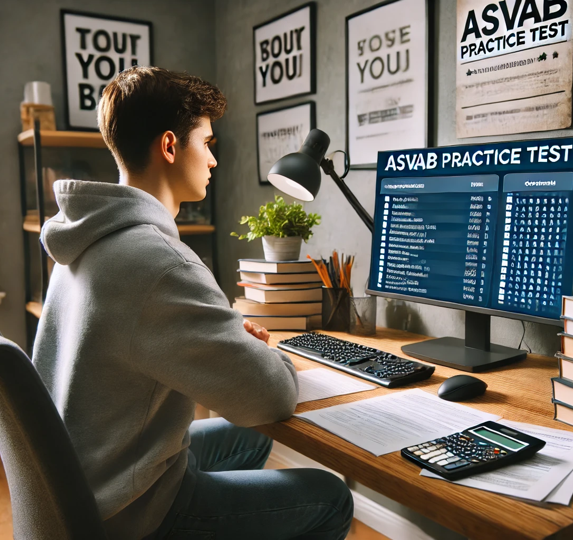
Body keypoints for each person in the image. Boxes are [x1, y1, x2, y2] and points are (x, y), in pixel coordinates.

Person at [32, 66, 353, 540]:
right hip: (132, 512)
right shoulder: (158, 262)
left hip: (81, 484)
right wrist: (267, 354)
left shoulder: (82, 241)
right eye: (206, 144)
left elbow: (137, 340)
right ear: (169, 146)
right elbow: (274, 395)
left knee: (247, 436)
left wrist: (223, 341)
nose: (213, 161)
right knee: (331, 498)